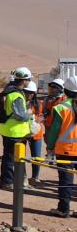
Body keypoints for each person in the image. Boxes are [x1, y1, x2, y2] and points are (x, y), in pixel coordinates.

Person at [44, 76, 77, 218]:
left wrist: (50, 147)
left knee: (65, 182)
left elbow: (54, 131)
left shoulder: (61, 108)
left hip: (65, 151)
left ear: (66, 91)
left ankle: (64, 209)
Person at [0, 67, 33, 190]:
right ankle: (8, 182)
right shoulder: (16, 94)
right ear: (25, 80)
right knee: (11, 159)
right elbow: (20, 115)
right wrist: (29, 113)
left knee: (7, 157)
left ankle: (5, 181)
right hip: (15, 132)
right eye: (28, 79)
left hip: (8, 130)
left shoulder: (8, 90)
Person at [23, 81, 44, 187]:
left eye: (31, 93)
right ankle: (23, 178)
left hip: (36, 134)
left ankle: (35, 177)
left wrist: (39, 120)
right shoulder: (20, 103)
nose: (29, 94)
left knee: (36, 157)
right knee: (21, 157)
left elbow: (42, 116)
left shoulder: (39, 104)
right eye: (27, 92)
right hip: (22, 134)